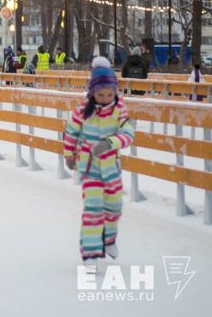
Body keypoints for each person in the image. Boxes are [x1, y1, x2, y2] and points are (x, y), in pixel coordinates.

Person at [63, 57, 134, 273]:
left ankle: (108, 239)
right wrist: (69, 154)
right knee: (93, 208)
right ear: (93, 92)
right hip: (89, 167)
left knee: (114, 206)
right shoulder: (83, 108)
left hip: (111, 167)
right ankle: (90, 254)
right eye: (100, 95)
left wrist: (110, 143)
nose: (105, 99)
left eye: (109, 95)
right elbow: (71, 131)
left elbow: (128, 133)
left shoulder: (119, 109)